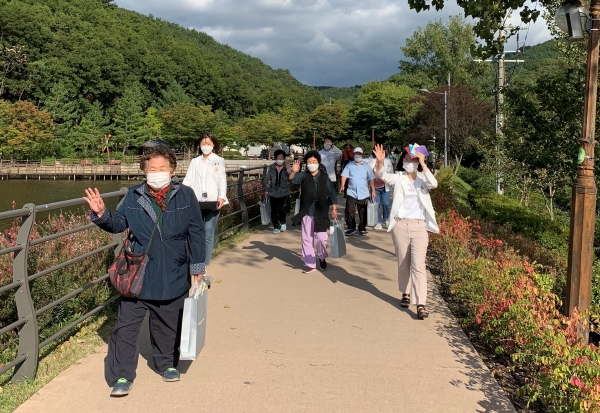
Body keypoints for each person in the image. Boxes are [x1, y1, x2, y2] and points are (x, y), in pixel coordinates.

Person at [83, 146, 206, 397]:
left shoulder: (186, 196)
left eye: (162, 168)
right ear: (144, 171)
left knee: (168, 324)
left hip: (174, 270)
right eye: (152, 168)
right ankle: (122, 375)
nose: (157, 173)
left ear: (172, 170)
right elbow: (119, 223)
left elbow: (196, 233)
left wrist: (197, 266)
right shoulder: (134, 195)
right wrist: (101, 213)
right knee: (126, 328)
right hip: (138, 273)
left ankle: (167, 364)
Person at [373, 144, 439, 320]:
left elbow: (434, 184)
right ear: (402, 161)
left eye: (413, 160)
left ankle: (421, 304)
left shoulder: (423, 179)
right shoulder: (399, 178)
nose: (410, 162)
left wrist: (423, 163)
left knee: (418, 265)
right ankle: (405, 292)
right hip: (401, 225)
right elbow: (383, 176)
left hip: (419, 226)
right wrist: (380, 162)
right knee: (403, 262)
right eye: (407, 159)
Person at [183, 132, 228, 274]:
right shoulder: (195, 162)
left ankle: (204, 264)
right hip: (196, 201)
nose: (206, 146)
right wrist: (183, 196)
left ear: (213, 144)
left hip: (213, 201)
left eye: (208, 143)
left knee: (208, 232)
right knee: (195, 232)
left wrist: (221, 197)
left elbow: (222, 180)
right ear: (199, 145)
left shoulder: (218, 160)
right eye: (203, 143)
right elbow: (188, 180)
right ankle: (195, 260)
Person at [289, 150, 338, 273]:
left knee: (322, 238)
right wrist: (294, 172)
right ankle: (310, 263)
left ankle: (322, 257)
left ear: (318, 163)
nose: (311, 164)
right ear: (306, 164)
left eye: (314, 161)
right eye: (309, 162)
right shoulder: (303, 176)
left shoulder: (324, 177)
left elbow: (331, 192)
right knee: (307, 238)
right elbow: (292, 180)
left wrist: (334, 208)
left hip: (321, 210)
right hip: (307, 211)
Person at [340, 147, 376, 236]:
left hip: (364, 193)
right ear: (353, 155)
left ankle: (362, 228)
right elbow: (344, 176)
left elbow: (371, 179)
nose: (358, 156)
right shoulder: (349, 165)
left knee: (363, 211)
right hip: (351, 192)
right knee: (349, 210)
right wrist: (342, 185)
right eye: (356, 154)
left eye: (359, 154)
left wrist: (373, 190)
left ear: (362, 155)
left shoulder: (366, 166)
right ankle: (351, 227)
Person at [366, 149, 394, 229]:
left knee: (386, 204)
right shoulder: (370, 160)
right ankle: (378, 221)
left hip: (385, 186)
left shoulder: (387, 161)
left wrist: (393, 185)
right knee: (376, 204)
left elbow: (391, 172)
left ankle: (386, 219)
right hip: (374, 188)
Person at [265, 149, 292, 233]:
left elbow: (290, 176)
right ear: (276, 158)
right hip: (273, 191)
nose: (280, 159)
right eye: (279, 157)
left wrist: (288, 167)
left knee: (281, 207)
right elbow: (269, 179)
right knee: (273, 209)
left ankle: (283, 222)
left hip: (283, 191)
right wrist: (267, 191)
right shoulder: (272, 167)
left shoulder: (286, 167)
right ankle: (276, 226)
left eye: (282, 157)